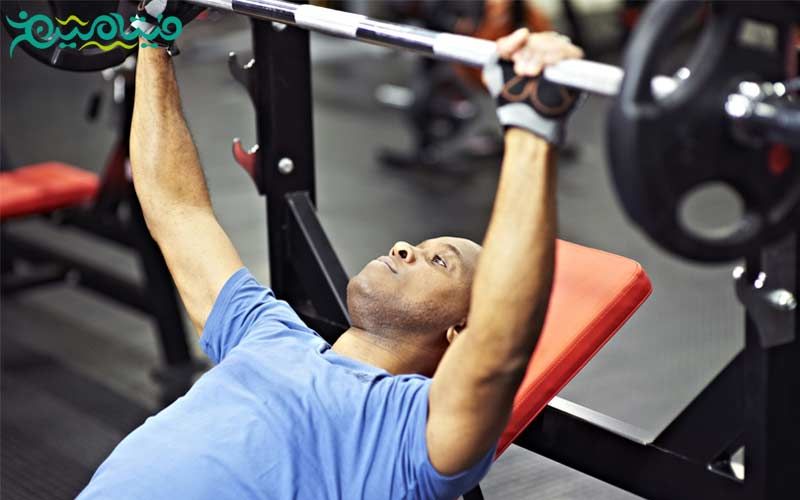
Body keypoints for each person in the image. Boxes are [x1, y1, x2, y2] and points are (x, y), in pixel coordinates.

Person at [77, 24, 583, 500]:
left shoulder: (412, 436)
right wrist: (153, 34)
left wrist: (531, 125)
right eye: (418, 245)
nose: (403, 248)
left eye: (438, 261)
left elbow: (499, 346)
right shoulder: (265, 332)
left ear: (460, 330)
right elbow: (177, 210)